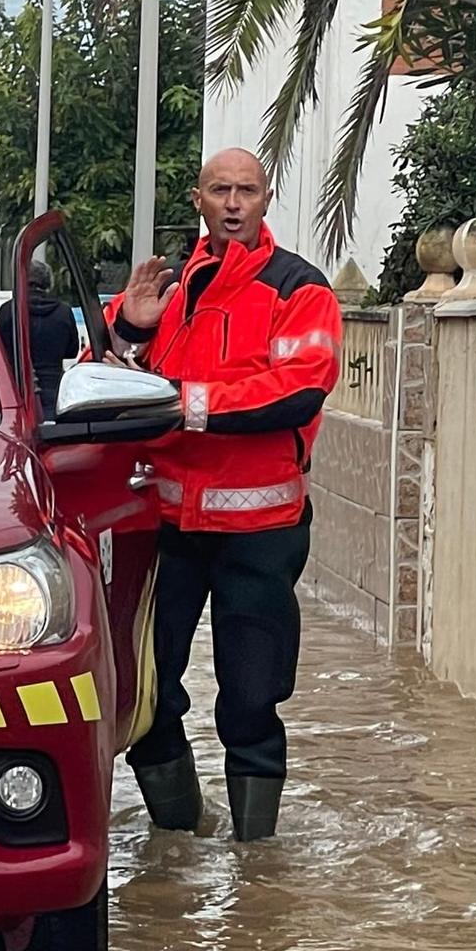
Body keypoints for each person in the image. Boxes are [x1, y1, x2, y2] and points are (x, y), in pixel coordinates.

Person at [105, 148, 342, 841]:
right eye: (220, 190)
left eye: (247, 190)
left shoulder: (301, 287)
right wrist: (131, 329)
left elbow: (300, 387)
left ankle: (256, 866)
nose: (234, 203)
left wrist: (191, 405)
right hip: (167, 524)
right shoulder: (168, 289)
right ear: (197, 200)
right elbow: (103, 382)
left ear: (267, 200)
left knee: (251, 698)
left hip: (262, 528)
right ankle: (177, 835)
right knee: (143, 689)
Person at [0, 259, 81, 420]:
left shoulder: (8, 311)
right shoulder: (63, 312)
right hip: (54, 391)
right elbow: (72, 351)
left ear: (20, 280)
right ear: (49, 282)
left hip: (14, 390)